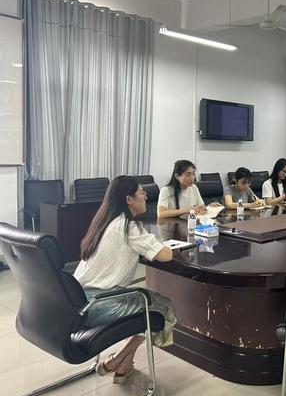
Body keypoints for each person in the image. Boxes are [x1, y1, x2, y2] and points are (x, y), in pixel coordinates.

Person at [74, 176, 177, 384]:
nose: (146, 197)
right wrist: (155, 243)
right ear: (129, 199)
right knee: (160, 306)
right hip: (103, 303)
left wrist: (150, 242)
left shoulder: (105, 221)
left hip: (79, 300)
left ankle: (124, 366)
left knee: (144, 301)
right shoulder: (128, 226)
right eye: (142, 193)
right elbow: (166, 255)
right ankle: (116, 359)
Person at [157, 159, 221, 219]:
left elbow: (201, 209)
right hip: (173, 225)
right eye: (188, 175)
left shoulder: (194, 188)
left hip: (190, 223)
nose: (192, 178)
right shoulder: (166, 191)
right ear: (177, 176)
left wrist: (210, 207)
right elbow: (161, 214)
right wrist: (187, 210)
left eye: (193, 174)